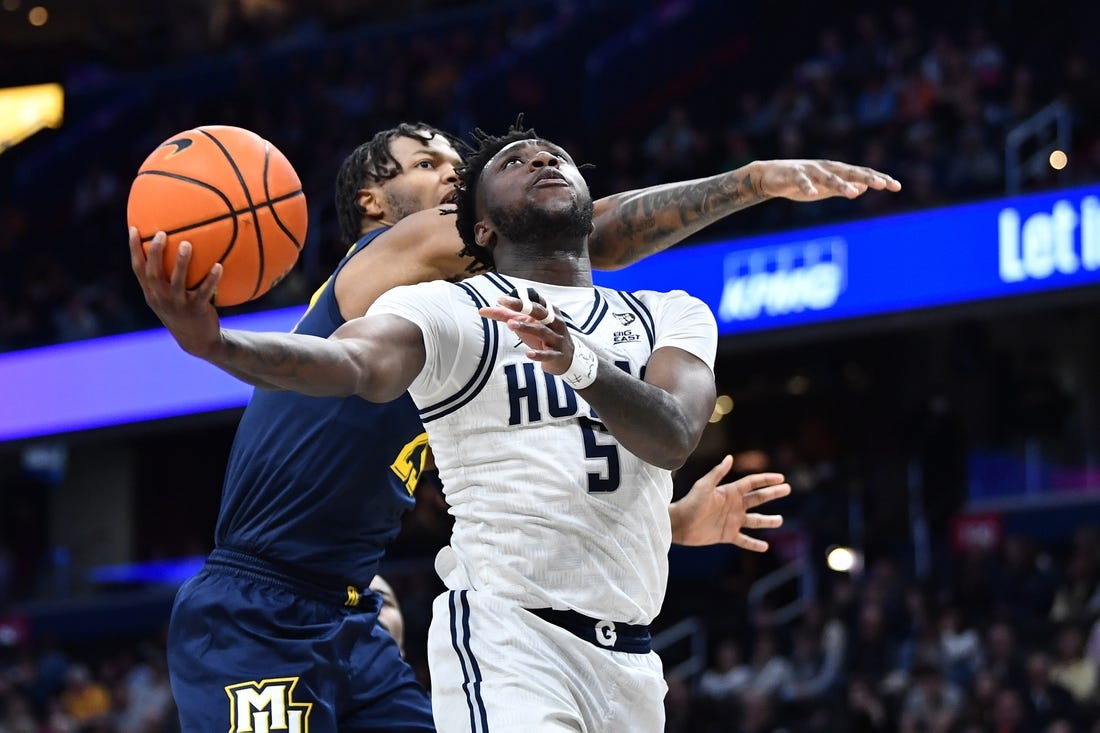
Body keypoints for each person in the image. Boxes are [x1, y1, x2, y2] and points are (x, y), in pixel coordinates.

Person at [132, 120, 897, 731]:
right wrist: (749, 182)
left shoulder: (479, 318)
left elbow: (533, 489)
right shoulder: (390, 258)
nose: (453, 171)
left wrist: (660, 522)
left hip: (348, 605)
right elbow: (585, 231)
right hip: (254, 604)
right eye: (430, 162)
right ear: (372, 200)